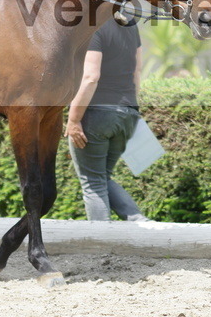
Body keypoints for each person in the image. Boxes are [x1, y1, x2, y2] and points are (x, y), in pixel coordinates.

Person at [64, 11, 149, 222]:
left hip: (97, 115)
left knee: (92, 182)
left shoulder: (94, 27)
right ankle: (138, 221)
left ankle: (100, 244)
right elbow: (137, 72)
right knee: (101, 177)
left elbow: (91, 77)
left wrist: (73, 120)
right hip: (127, 113)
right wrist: (132, 109)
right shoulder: (131, 24)